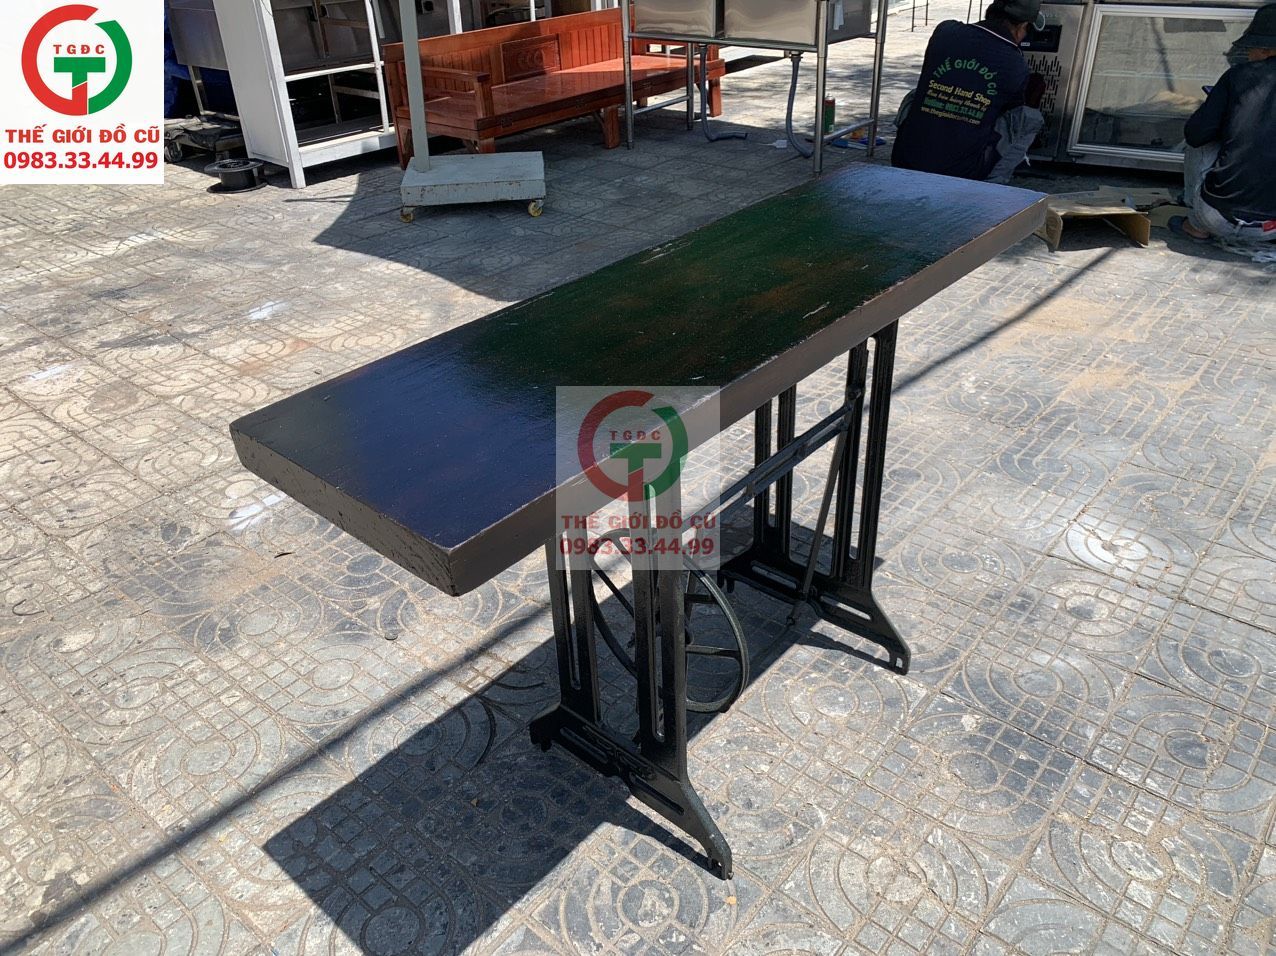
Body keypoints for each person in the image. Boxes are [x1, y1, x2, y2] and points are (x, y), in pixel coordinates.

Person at [891, 0, 1047, 184]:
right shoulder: (1016, 64)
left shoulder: (945, 31)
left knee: (917, 94)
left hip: (905, 159)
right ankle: (992, 186)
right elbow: (1010, 113)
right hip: (963, 173)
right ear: (1021, 27)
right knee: (1028, 118)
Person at [1170, 4, 1276, 243]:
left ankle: (1196, 225)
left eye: (1249, 48)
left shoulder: (1238, 76)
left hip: (1217, 218)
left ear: (1264, 49)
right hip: (1272, 228)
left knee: (1202, 139)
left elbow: (1195, 134)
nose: (1247, 55)